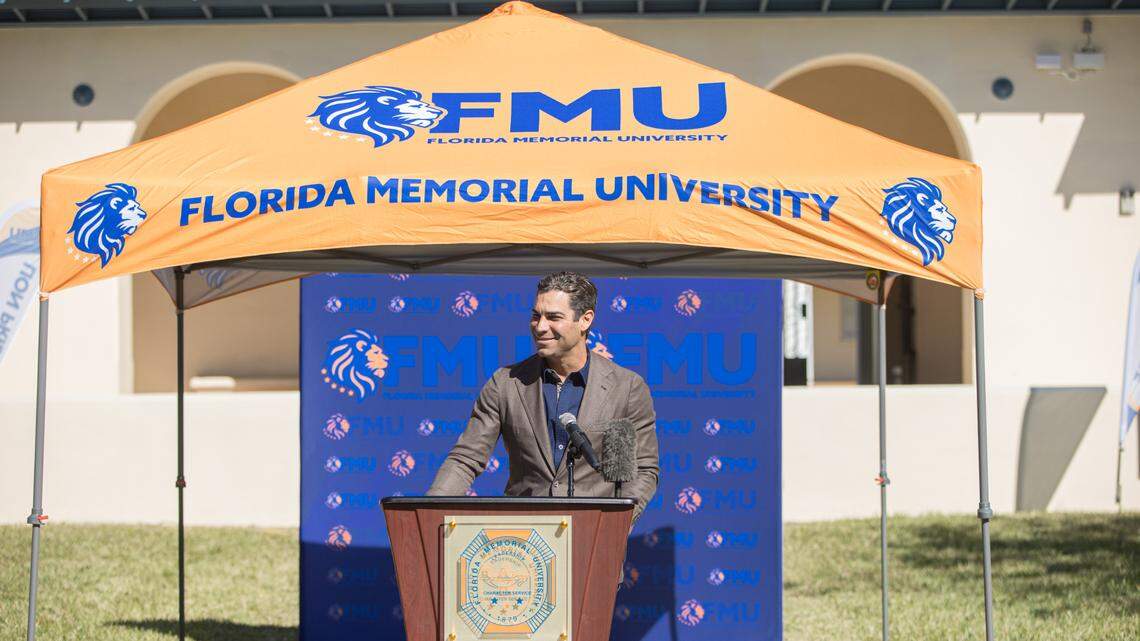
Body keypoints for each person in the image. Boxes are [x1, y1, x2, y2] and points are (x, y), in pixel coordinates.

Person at [427, 271, 660, 524]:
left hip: (594, 545)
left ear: (585, 320)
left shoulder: (627, 388)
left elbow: (643, 470)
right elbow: (466, 459)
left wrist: (613, 528)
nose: (540, 326)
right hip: (521, 546)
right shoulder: (505, 383)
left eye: (553, 317)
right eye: (536, 315)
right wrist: (428, 517)